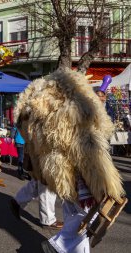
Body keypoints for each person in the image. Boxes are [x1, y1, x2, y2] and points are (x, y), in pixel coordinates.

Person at [15, 69, 125, 253]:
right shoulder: (70, 110)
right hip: (76, 167)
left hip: (59, 170)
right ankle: (58, 244)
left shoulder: (48, 112)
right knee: (88, 212)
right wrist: (95, 105)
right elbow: (99, 129)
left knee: (72, 212)